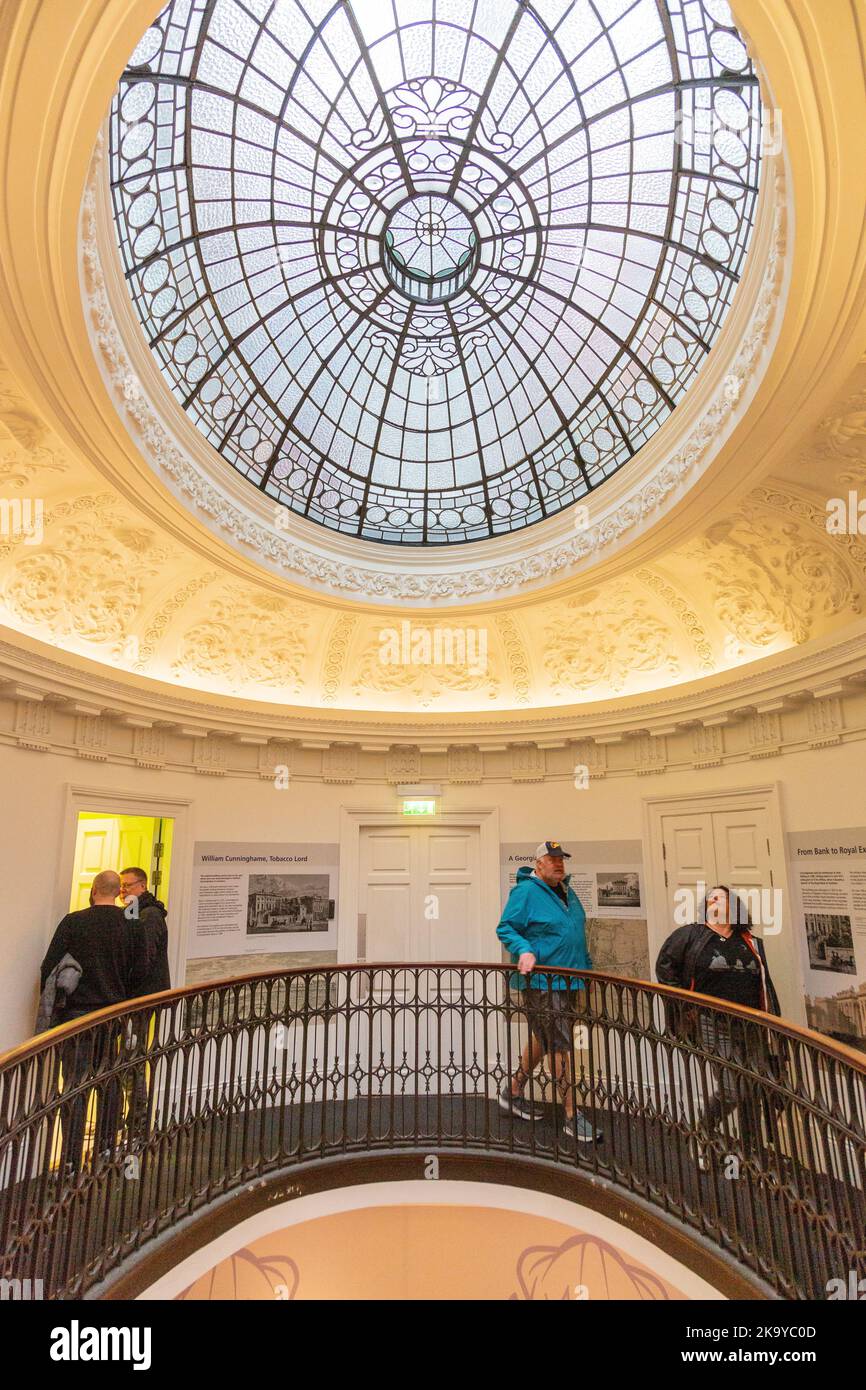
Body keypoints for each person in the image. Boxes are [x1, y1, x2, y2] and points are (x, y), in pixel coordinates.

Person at [655, 884, 781, 1168]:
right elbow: (665, 967)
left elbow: (764, 983)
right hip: (711, 1021)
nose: (714, 899)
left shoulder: (751, 941)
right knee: (732, 1089)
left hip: (752, 1024)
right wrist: (685, 1005)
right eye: (710, 897)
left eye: (721, 896)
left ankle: (751, 1153)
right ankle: (701, 1133)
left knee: (754, 1089)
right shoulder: (690, 935)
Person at [40, 870, 149, 1172]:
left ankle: (71, 1157)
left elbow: (48, 967)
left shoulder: (73, 922)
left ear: (93, 889)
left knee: (74, 1085)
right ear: (118, 893)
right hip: (112, 1015)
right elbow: (140, 971)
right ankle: (105, 1147)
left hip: (77, 1017)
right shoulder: (131, 925)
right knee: (109, 1082)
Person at [496, 841, 601, 1145]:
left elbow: (576, 934)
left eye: (561, 859)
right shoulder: (526, 892)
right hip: (543, 983)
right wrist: (525, 949)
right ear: (538, 864)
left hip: (570, 980)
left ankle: (513, 1091)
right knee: (559, 1044)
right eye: (551, 858)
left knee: (544, 1038)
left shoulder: (567, 891)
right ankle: (571, 1116)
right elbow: (506, 928)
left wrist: (587, 969)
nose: (558, 863)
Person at [117, 868, 170, 1144]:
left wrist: (126, 987)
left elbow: (143, 958)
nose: (122, 892)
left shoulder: (149, 916)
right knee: (129, 1056)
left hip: (139, 999)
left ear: (142, 885)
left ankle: (137, 1122)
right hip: (138, 997)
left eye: (126, 887)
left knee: (131, 1056)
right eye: (121, 887)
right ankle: (129, 1119)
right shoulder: (141, 912)